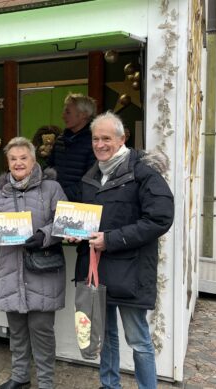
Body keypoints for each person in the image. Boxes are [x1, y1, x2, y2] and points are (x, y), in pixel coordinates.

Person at [71, 112, 174, 389]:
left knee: (138, 339)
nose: (100, 144)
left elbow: (160, 219)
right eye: (95, 138)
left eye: (106, 138)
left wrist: (111, 239)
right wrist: (76, 235)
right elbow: (92, 221)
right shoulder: (91, 175)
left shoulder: (144, 173)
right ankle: (109, 385)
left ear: (122, 138)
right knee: (106, 337)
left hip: (130, 272)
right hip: (98, 271)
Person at [0, 137, 67, 389]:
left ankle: (46, 383)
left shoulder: (51, 188)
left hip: (43, 269)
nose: (18, 163)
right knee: (17, 330)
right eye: (13, 158)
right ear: (7, 163)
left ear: (33, 161)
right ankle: (20, 377)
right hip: (10, 269)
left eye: (24, 158)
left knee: (41, 330)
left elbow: (65, 221)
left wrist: (44, 235)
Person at [46, 93, 97, 202]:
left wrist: (63, 195)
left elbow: (92, 180)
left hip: (81, 207)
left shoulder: (95, 142)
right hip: (57, 203)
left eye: (68, 112)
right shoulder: (60, 139)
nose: (63, 116)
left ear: (84, 114)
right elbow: (49, 167)